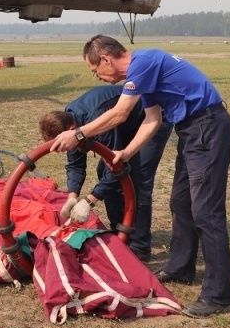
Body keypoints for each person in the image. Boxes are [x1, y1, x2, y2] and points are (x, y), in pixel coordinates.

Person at [50, 35, 230, 318]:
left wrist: (78, 134)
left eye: (95, 70)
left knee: (206, 212)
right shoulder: (145, 72)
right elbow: (153, 120)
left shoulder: (143, 63)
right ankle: (181, 267)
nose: (97, 77)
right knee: (180, 202)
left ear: (106, 59)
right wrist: (126, 152)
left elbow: (121, 113)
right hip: (191, 130)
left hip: (207, 127)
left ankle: (217, 294)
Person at [38, 85, 172, 261]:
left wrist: (90, 201)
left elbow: (117, 167)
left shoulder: (96, 119)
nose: (65, 150)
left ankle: (140, 246)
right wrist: (72, 195)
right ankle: (121, 232)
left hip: (152, 119)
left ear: (71, 130)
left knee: (137, 179)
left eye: (64, 146)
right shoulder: (71, 125)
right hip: (125, 126)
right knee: (104, 171)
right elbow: (75, 165)